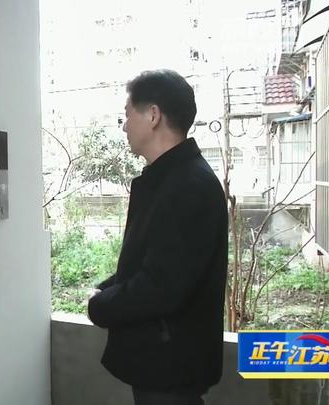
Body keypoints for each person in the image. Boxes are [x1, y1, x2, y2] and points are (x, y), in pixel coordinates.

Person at [87, 69, 228, 405]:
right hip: (163, 359)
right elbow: (153, 261)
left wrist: (100, 305)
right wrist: (108, 288)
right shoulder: (170, 178)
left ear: (153, 116)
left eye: (126, 115)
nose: (124, 126)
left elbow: (162, 286)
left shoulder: (188, 185)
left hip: (170, 365)